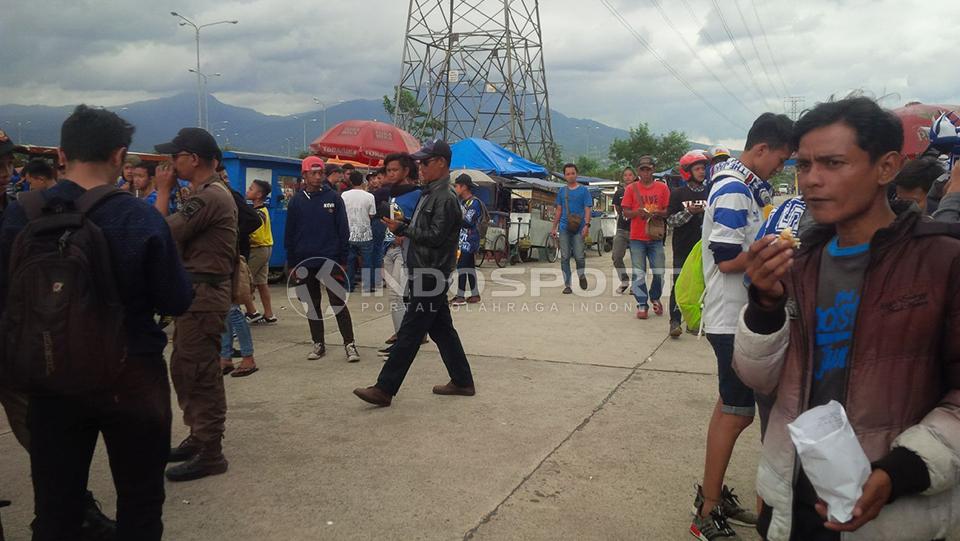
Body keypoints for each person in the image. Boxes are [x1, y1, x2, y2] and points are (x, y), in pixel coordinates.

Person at [735, 96, 960, 541]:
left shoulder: (941, 262)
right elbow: (759, 379)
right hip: (797, 495)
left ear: (887, 167)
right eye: (803, 166)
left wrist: (899, 472)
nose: (812, 181)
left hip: (894, 504)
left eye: (833, 163)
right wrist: (764, 303)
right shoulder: (799, 263)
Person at [0, 105, 193, 539]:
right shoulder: (138, 216)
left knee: (55, 503)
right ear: (120, 155)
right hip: (132, 377)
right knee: (140, 501)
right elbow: (176, 299)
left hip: (49, 378)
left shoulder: (22, 213)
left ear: (62, 155)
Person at [690, 112, 794, 541]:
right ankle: (707, 511)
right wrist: (775, 248)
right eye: (783, 160)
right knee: (736, 413)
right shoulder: (734, 189)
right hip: (732, 318)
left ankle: (711, 496)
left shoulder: (746, 185)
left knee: (731, 410)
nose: (782, 169)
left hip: (737, 316)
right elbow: (727, 259)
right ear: (762, 149)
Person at [354, 139, 475, 407]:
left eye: (425, 162)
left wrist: (403, 229)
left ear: (441, 163)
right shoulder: (430, 192)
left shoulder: (444, 197)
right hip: (425, 268)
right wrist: (404, 224)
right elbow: (427, 230)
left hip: (432, 273)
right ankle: (463, 381)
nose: (419, 167)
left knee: (409, 333)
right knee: (443, 331)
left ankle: (384, 389)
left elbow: (435, 237)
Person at [152, 127, 238, 482]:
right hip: (196, 293)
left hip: (204, 295)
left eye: (176, 157)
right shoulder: (204, 193)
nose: (171, 164)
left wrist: (162, 192)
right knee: (186, 367)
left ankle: (210, 450)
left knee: (199, 372)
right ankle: (198, 436)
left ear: (194, 159)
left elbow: (159, 233)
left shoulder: (210, 197)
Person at [285, 156, 361, 362]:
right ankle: (318, 343)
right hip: (303, 261)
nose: (318, 177)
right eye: (313, 173)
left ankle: (350, 344)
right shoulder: (296, 201)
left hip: (331, 259)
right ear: (305, 175)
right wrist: (291, 262)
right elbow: (289, 234)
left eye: (321, 173)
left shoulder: (335, 198)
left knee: (337, 303)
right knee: (311, 304)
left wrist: (343, 258)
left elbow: (343, 230)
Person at [217, 164, 262, 378]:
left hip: (233, 257)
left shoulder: (228, 195)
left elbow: (254, 219)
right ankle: (225, 356)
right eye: (222, 176)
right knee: (225, 309)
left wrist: (231, 234)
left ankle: (247, 357)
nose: (225, 179)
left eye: (225, 176)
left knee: (234, 309)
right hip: (221, 257)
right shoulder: (214, 194)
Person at [377, 152, 422, 358]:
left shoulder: (417, 194)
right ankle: (404, 337)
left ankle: (403, 345)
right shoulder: (391, 193)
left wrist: (404, 232)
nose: (391, 173)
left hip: (405, 249)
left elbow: (418, 222)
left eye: (395, 169)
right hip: (389, 248)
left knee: (398, 295)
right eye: (388, 170)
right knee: (397, 296)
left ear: (406, 171)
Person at [620, 155, 670, 319]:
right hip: (637, 238)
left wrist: (658, 213)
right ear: (638, 171)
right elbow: (625, 212)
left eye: (648, 169)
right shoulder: (631, 189)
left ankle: (655, 296)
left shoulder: (662, 188)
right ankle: (642, 303)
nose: (645, 172)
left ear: (653, 170)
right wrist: (637, 213)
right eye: (642, 169)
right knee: (638, 272)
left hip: (655, 237)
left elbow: (668, 210)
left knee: (659, 272)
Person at [666, 150, 709, 336]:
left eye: (703, 168)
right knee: (679, 284)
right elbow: (670, 221)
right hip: (683, 248)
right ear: (688, 172)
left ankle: (697, 322)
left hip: (706, 248)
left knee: (705, 285)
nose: (702, 172)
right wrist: (689, 212)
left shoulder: (712, 192)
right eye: (698, 168)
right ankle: (675, 321)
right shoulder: (677, 194)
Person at [550, 163, 592, 294]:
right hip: (564, 227)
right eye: (567, 174)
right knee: (565, 256)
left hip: (579, 228)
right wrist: (554, 227)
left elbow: (587, 209)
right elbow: (559, 210)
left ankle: (581, 275)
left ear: (577, 174)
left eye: (572, 173)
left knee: (579, 256)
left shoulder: (584, 191)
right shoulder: (562, 191)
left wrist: (586, 225)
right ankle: (567, 284)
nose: (570, 176)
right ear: (565, 176)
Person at [244, 179, 277, 324]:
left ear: (258, 195)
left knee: (245, 282)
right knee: (262, 283)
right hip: (267, 249)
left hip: (257, 250)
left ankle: (252, 312)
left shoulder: (257, 213)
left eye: (251, 189)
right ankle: (269, 314)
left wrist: (246, 236)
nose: (247, 190)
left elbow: (256, 234)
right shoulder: (264, 210)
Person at [342, 170, 377, 292]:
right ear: (362, 181)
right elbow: (372, 214)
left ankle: (349, 286)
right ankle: (368, 286)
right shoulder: (369, 196)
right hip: (365, 234)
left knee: (350, 261)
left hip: (349, 234)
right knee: (367, 261)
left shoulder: (343, 195)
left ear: (350, 182)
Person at [451, 173, 483, 305]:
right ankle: (475, 294)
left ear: (464, 187)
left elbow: (468, 222)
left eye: (456, 186)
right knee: (469, 267)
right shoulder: (463, 202)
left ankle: (460, 296)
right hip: (462, 239)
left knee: (462, 267)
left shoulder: (474, 203)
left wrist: (453, 217)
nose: (455, 188)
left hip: (469, 241)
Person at [611, 166, 636, 294]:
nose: (627, 177)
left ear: (635, 176)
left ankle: (636, 285)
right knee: (616, 256)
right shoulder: (619, 193)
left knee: (637, 259)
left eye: (630, 175)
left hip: (636, 229)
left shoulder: (639, 191)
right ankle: (624, 280)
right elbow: (618, 209)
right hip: (622, 228)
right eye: (625, 175)